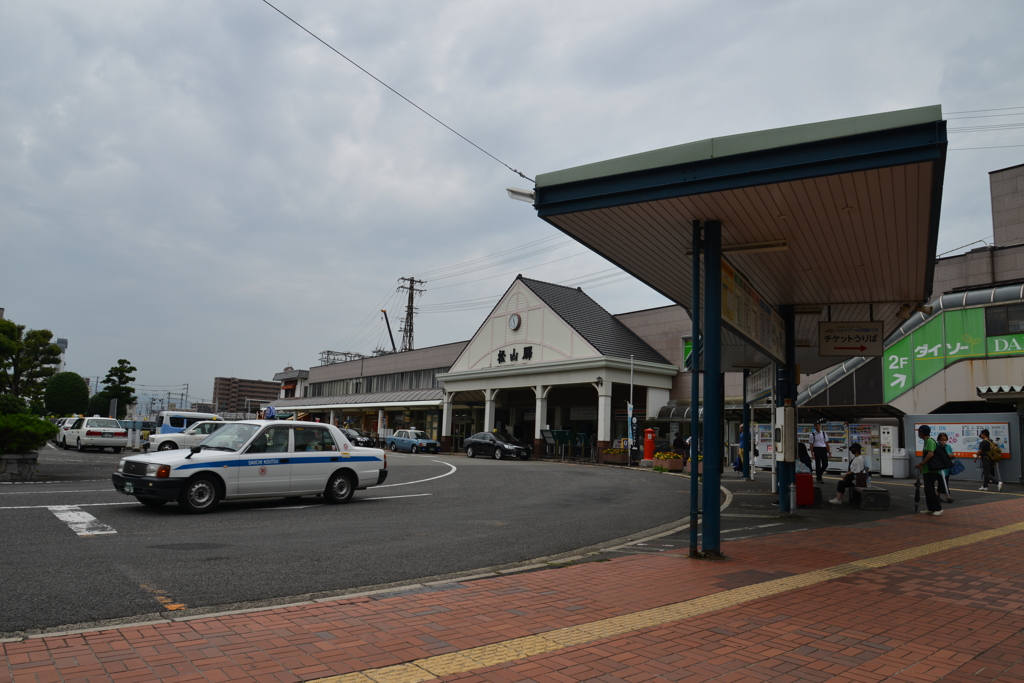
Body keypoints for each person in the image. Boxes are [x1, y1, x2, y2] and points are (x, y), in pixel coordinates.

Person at [914, 425, 943, 516]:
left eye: (919, 432)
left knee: (930, 490)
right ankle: (930, 508)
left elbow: (930, 454)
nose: (919, 433)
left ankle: (938, 508)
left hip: (932, 470)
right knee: (927, 490)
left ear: (922, 432)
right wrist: (923, 467)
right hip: (928, 469)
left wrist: (921, 464)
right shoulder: (926, 441)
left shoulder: (930, 441)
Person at [936, 432, 955, 504]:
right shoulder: (937, 447)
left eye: (945, 440)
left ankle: (937, 495)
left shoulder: (948, 446)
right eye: (942, 440)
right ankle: (948, 497)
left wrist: (950, 455)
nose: (944, 441)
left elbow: (952, 455)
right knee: (943, 482)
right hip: (939, 468)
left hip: (946, 468)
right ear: (939, 440)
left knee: (944, 481)